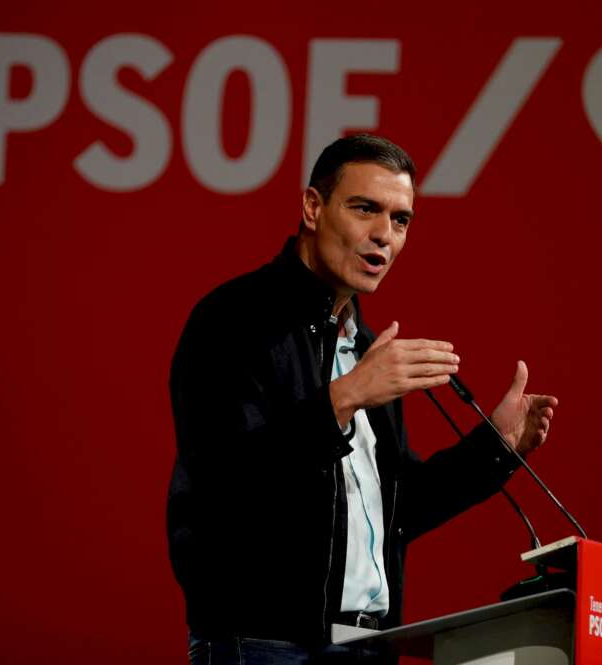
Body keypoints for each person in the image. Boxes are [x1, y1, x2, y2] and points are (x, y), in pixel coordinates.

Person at [167, 134, 558, 664]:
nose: (384, 236)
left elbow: (398, 509)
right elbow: (226, 481)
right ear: (313, 207)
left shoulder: (365, 347)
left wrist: (495, 448)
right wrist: (345, 397)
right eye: (365, 209)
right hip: (263, 643)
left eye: (401, 220)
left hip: (367, 645)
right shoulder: (234, 320)